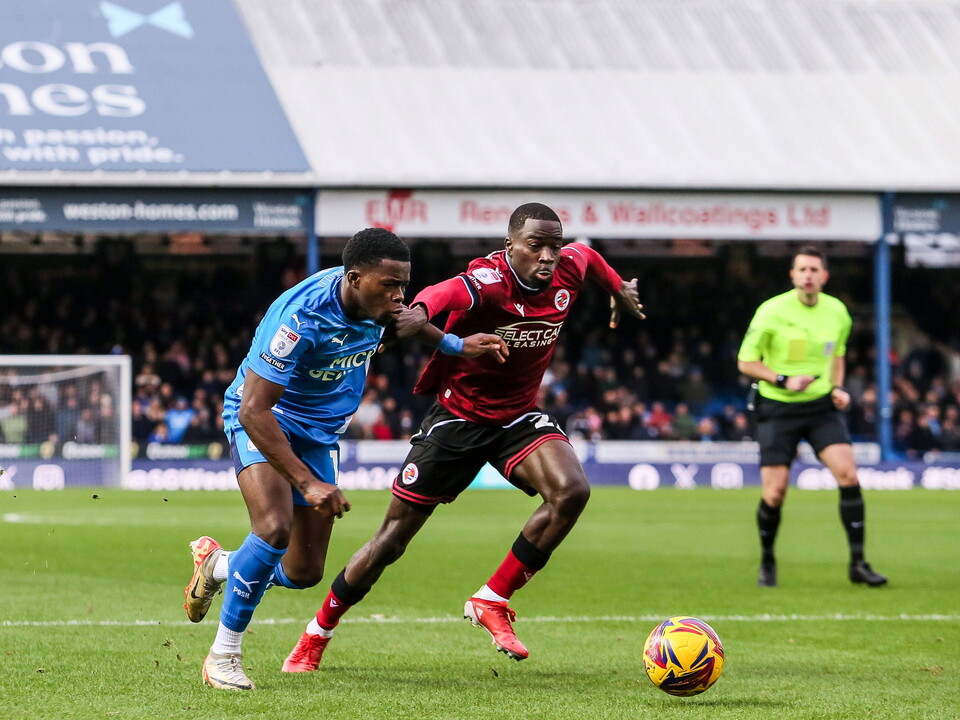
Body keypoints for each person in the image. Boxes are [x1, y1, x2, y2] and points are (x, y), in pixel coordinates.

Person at [280, 202, 645, 673]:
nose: (548, 255)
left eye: (554, 245)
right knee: (390, 543)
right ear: (510, 243)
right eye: (536, 245)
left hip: (517, 417)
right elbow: (443, 292)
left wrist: (616, 289)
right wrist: (418, 314)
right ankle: (316, 633)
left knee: (572, 490)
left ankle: (492, 599)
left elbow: (589, 259)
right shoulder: (487, 283)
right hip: (458, 418)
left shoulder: (568, 269)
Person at [182, 228, 507, 691]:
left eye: (404, 286)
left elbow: (411, 323)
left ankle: (216, 566)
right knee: (273, 529)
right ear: (354, 278)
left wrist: (457, 345)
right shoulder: (302, 317)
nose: (400, 297)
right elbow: (255, 408)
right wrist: (307, 484)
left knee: (303, 572)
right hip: (267, 418)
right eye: (390, 287)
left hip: (319, 434)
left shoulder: (380, 303)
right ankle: (223, 656)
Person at [737, 246, 887, 588]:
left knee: (848, 474)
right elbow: (746, 362)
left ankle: (858, 563)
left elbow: (838, 355)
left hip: (820, 407)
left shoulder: (838, 313)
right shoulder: (771, 311)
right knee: (774, 493)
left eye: (814, 269)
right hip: (777, 407)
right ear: (793, 275)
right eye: (802, 269)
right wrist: (782, 379)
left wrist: (836, 387)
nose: (808, 275)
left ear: (824, 276)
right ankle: (767, 560)